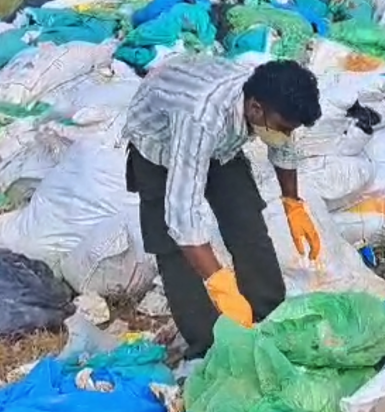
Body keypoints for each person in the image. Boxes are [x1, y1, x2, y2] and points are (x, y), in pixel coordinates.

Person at [123, 56, 324, 359]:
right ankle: (211, 347)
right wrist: (220, 283)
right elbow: (182, 218)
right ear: (255, 108)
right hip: (159, 144)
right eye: (283, 127)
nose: (284, 135)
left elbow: (283, 144)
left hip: (220, 143)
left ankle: (268, 316)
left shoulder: (269, 96)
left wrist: (292, 203)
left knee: (246, 220)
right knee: (172, 246)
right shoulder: (201, 119)